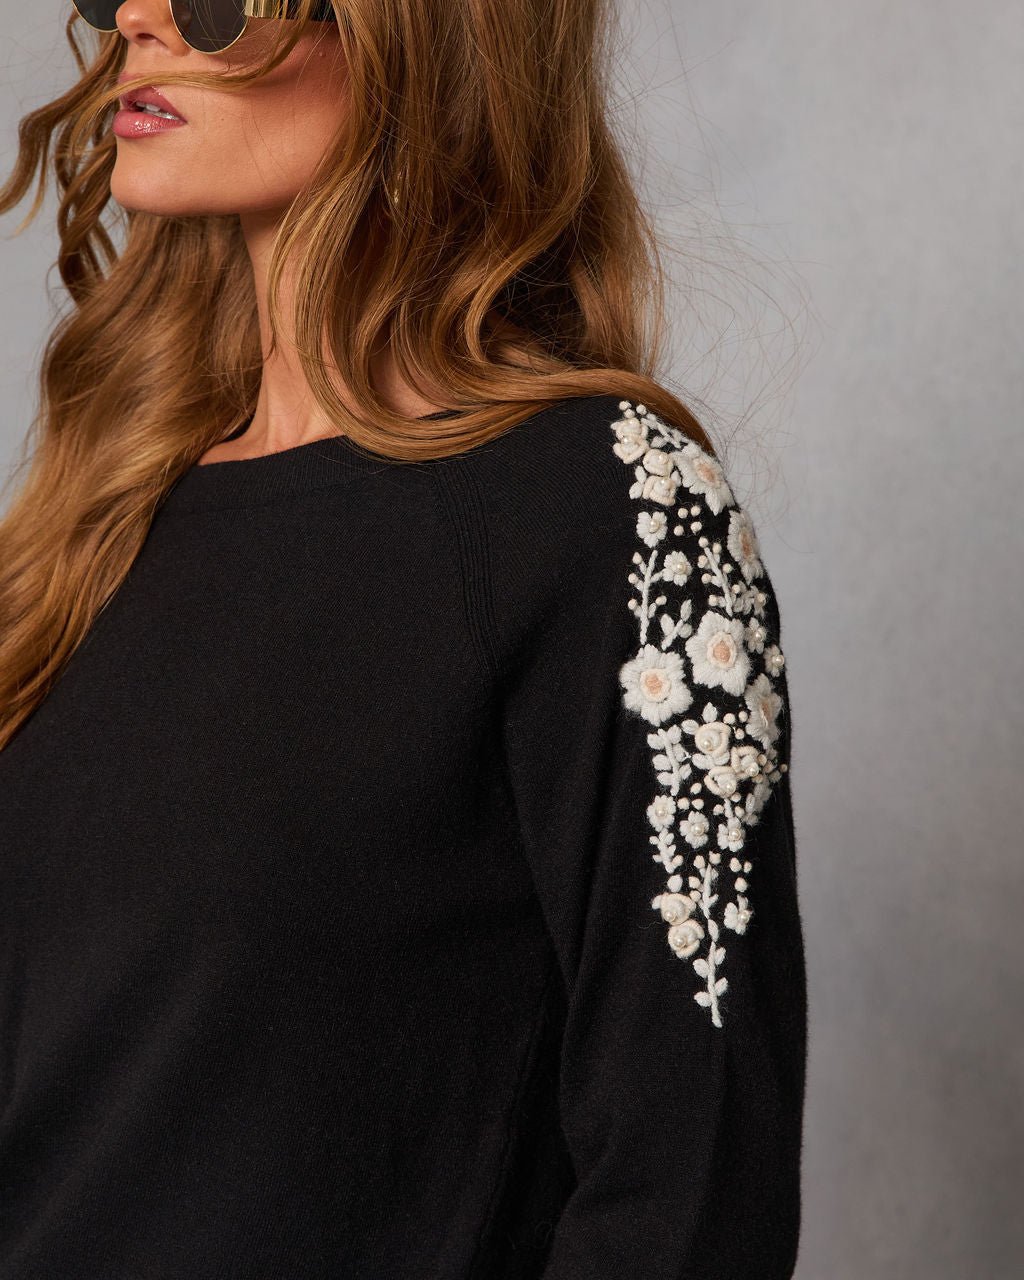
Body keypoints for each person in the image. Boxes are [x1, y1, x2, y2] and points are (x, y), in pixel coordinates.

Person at [0, 2, 808, 1276]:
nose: (140, 19)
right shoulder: (96, 519)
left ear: (421, 34)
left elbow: (690, 1191)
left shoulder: (603, 513)